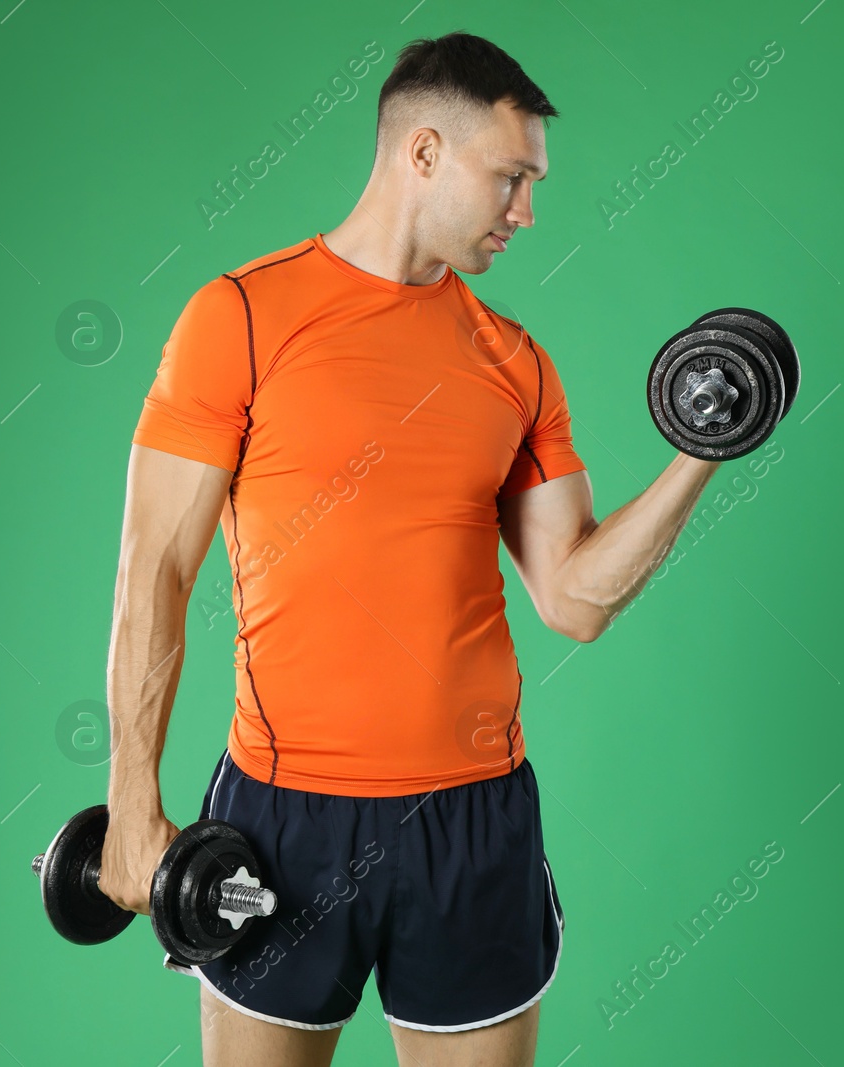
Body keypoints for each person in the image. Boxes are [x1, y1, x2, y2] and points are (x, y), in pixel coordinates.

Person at [97, 31, 721, 1067]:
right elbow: (155, 568)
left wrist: (701, 451)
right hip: (280, 816)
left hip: (471, 821)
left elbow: (574, 596)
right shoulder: (240, 318)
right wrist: (132, 798)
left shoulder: (512, 362)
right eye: (511, 178)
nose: (527, 212)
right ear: (422, 152)